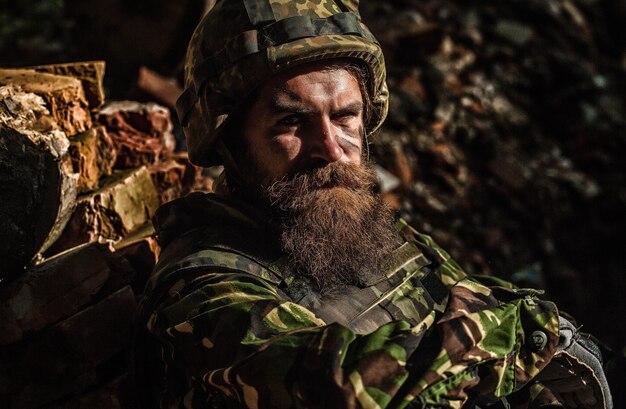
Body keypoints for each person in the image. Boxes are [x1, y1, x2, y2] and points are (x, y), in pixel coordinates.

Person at [132, 0, 613, 408]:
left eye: (345, 116)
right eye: (291, 122)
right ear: (228, 141)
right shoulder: (201, 283)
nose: (331, 147)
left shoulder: (352, 229)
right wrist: (526, 331)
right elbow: (342, 387)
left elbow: (460, 300)